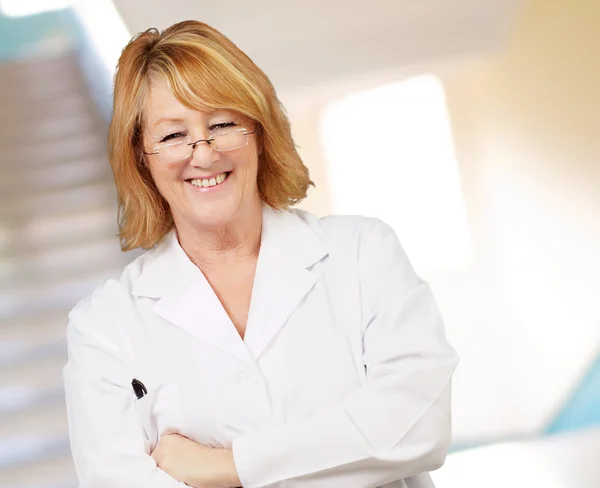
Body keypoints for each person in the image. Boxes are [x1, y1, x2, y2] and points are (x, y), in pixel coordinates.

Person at [63, 20, 458, 488]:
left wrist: (226, 466)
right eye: (173, 136)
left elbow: (418, 426)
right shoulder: (105, 326)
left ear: (259, 129)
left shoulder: (361, 254)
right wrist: (352, 451)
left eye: (222, 124)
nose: (203, 154)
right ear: (141, 157)